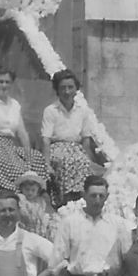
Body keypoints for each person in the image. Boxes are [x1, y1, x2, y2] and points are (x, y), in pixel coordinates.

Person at [0, 68, 47, 192]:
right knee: (16, 168)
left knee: (37, 158)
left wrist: (28, 156)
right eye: (0, 82)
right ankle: (16, 195)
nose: (4, 85)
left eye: (7, 82)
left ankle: (36, 196)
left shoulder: (14, 104)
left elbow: (22, 133)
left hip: (9, 146)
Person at [41, 69, 104, 202]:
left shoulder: (83, 111)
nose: (67, 92)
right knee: (66, 161)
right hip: (56, 148)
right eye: (63, 88)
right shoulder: (51, 110)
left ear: (76, 89)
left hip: (76, 148)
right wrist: (46, 164)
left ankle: (82, 199)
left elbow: (86, 140)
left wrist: (90, 160)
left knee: (83, 162)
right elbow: (46, 140)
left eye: (70, 87)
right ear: (57, 90)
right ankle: (66, 200)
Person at [15, 169, 55, 239]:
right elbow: (23, 214)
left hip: (37, 229)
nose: (30, 193)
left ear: (38, 190)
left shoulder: (40, 202)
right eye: (27, 189)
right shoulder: (21, 199)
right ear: (21, 189)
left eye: (33, 190)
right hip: (24, 228)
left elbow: (43, 215)